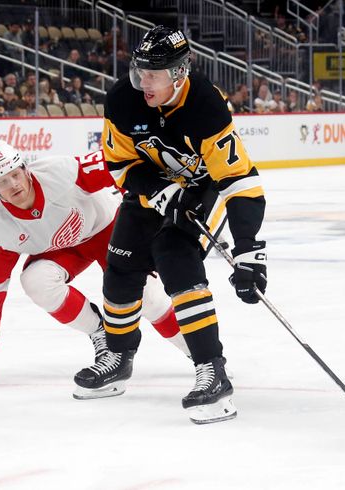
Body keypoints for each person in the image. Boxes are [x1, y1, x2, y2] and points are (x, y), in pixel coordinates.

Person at [101, 27, 266, 423]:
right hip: (151, 188)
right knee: (120, 264)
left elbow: (238, 179)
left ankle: (212, 369)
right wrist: (155, 188)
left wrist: (248, 249)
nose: (143, 82)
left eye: (153, 75)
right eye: (140, 71)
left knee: (176, 255)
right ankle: (118, 356)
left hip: (201, 189)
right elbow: (120, 165)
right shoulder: (123, 100)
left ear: (179, 74)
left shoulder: (206, 104)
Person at [0, 141, 189, 399]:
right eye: (2, 181)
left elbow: (118, 167)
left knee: (147, 298)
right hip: (64, 250)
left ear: (25, 169)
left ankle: (198, 351)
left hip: (108, 231)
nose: (13, 185)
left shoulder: (59, 172)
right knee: (35, 281)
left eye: (14, 174)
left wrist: (166, 190)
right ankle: (100, 333)